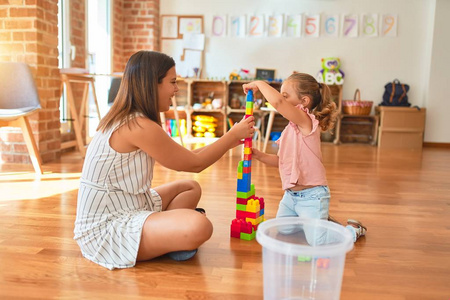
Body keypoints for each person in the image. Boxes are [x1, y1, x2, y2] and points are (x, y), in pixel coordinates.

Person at [74, 50, 255, 270]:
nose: (176, 89)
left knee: (190, 188)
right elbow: (194, 164)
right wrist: (231, 136)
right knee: (200, 226)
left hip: (132, 205)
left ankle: (167, 236)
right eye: (172, 82)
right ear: (152, 84)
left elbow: (189, 158)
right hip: (106, 227)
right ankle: (170, 236)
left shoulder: (132, 119)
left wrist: (230, 141)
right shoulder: (137, 126)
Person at [242, 73, 366, 243]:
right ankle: (318, 221)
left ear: (304, 102)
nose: (281, 99)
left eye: (286, 96)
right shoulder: (289, 130)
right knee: (284, 230)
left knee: (317, 242)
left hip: (312, 196)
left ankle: (351, 231)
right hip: (291, 197)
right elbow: (282, 162)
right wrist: (259, 155)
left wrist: (259, 83)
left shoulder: (306, 121)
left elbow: (277, 103)